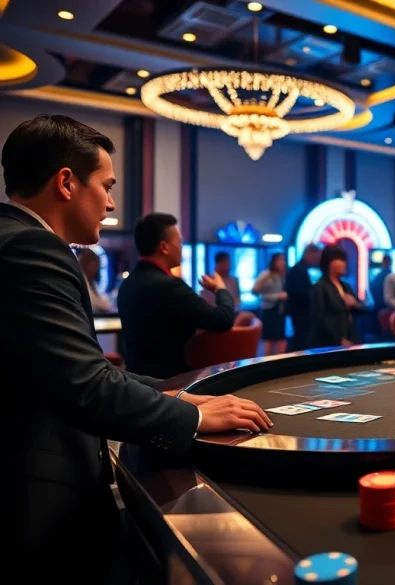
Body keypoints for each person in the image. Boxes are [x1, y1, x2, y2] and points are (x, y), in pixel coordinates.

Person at [0, 115, 270, 580]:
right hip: (35, 503)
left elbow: (70, 367)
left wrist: (179, 394)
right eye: (106, 185)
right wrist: (198, 416)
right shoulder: (32, 250)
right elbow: (84, 386)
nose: (110, 202)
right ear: (66, 183)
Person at [117, 213, 237, 378]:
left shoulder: (129, 283)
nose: (181, 247)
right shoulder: (169, 286)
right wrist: (221, 289)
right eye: (179, 242)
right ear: (164, 247)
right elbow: (223, 319)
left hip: (137, 380)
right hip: (170, 384)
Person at [308, 244, 361, 348]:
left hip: (350, 339)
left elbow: (361, 309)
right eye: (341, 260)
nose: (344, 264)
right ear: (330, 263)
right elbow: (320, 318)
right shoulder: (320, 287)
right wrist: (339, 340)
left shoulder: (346, 286)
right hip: (329, 344)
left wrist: (355, 304)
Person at [285, 244, 321, 351]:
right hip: (300, 313)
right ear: (309, 254)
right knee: (300, 343)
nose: (316, 260)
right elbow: (298, 292)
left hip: (301, 313)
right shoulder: (297, 271)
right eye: (316, 256)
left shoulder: (302, 269)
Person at [253, 252, 288, 356]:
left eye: (283, 260)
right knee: (269, 339)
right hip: (268, 309)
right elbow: (255, 290)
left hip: (280, 310)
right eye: (280, 260)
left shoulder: (283, 275)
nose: (282, 263)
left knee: (281, 337)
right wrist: (277, 296)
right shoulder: (266, 274)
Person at [77, 246, 113, 313]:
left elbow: (103, 303)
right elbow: (92, 303)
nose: (96, 268)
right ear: (87, 263)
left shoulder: (91, 281)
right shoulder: (79, 279)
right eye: (95, 264)